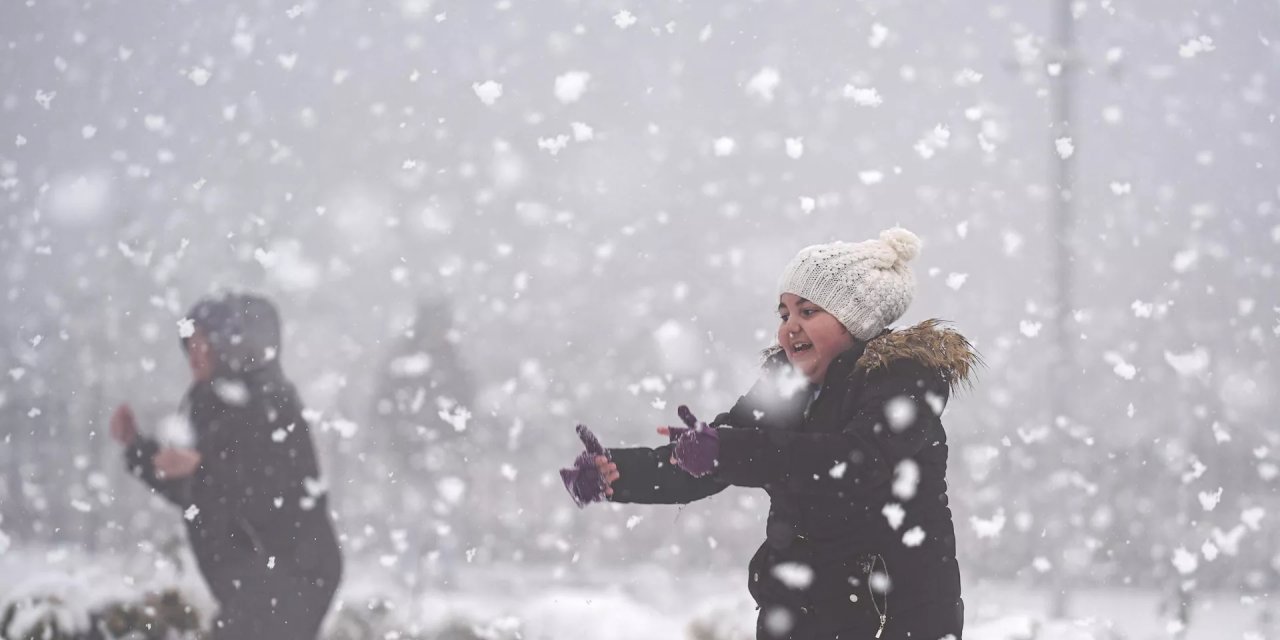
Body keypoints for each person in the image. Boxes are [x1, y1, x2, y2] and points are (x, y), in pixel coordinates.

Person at [561, 228, 977, 640]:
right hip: (800, 617)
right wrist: (618, 473)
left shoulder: (903, 382)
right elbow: (716, 456)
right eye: (784, 314)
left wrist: (727, 450)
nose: (788, 328)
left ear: (856, 320)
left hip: (892, 619)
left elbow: (855, 463)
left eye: (807, 312)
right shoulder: (786, 390)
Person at [111, 292, 342, 639]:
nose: (193, 355)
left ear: (229, 345)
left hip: (290, 571)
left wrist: (202, 467)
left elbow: (271, 491)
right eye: (188, 345)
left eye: (203, 344)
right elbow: (201, 495)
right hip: (255, 580)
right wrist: (138, 451)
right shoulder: (211, 405)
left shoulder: (268, 401)